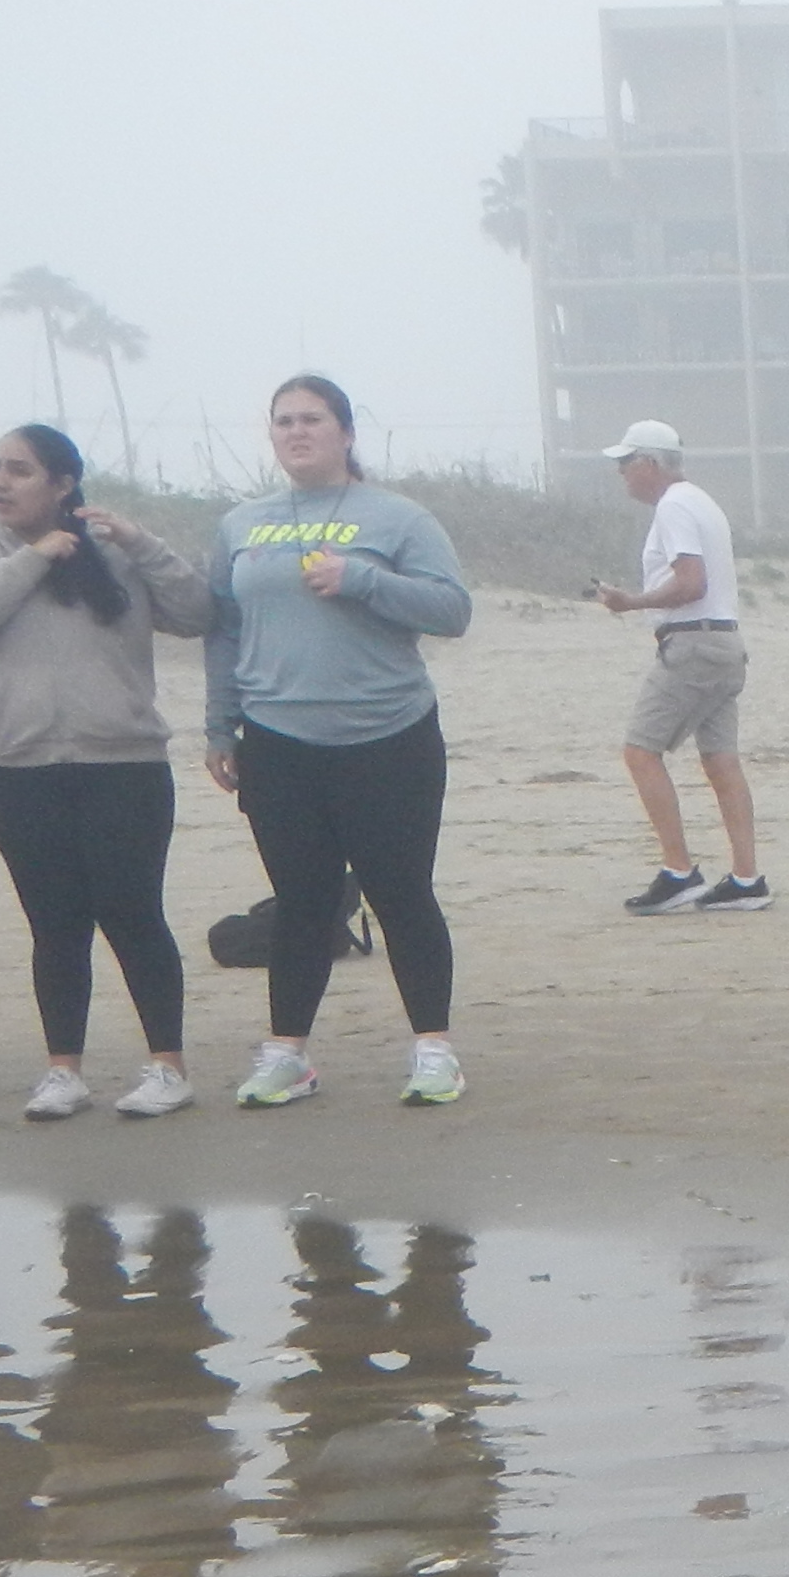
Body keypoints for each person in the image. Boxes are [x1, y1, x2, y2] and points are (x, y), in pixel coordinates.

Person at [201, 374, 473, 1108]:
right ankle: (288, 1053)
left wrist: (362, 580)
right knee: (301, 902)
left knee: (401, 893)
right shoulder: (241, 525)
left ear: (346, 433)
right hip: (279, 739)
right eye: (284, 421)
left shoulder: (398, 518)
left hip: (390, 735)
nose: (298, 432)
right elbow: (224, 630)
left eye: (313, 419)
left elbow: (452, 610)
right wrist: (219, 724)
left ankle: (433, 1050)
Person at [0, 424, 211, 1119]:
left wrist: (141, 544)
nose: (0, 481)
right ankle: (63, 1071)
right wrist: (32, 558)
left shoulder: (113, 552)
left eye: (20, 470)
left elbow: (198, 610)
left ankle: (167, 1067)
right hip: (16, 767)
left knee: (133, 912)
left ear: (62, 484)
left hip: (123, 763)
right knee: (53, 922)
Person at [586, 419, 768, 914]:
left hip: (694, 645)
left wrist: (632, 601)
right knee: (720, 760)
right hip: (725, 642)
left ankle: (679, 872)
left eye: (626, 464)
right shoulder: (700, 501)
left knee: (640, 751)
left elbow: (691, 583)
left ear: (649, 463)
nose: (622, 474)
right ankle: (747, 878)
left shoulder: (674, 506)